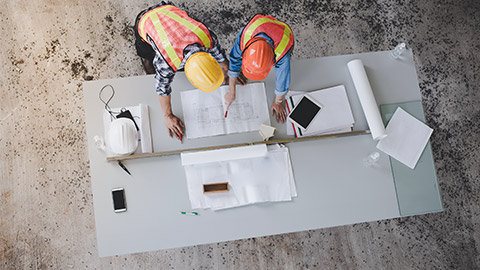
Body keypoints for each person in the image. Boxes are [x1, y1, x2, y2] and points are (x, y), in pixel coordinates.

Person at [134, 2, 246, 140]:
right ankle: (145, 57)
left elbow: (218, 51)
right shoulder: (167, 62)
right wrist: (167, 115)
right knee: (145, 52)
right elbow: (162, 89)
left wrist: (227, 69)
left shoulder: (206, 36)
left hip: (168, 8)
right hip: (145, 21)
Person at [226, 14, 294, 123]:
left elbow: (283, 76)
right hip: (260, 25)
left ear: (273, 61)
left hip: (281, 32)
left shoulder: (283, 50)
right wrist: (231, 89)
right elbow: (234, 58)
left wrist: (278, 101)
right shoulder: (245, 36)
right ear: (245, 53)